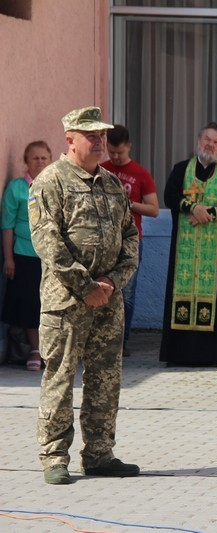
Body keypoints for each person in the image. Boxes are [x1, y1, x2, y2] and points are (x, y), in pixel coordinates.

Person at [28, 106, 140, 485]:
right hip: (67, 302)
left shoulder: (111, 184)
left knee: (105, 379)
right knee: (60, 379)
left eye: (102, 135)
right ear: (70, 139)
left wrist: (112, 283)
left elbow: (130, 236)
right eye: (90, 135)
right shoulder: (50, 182)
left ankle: (98, 454)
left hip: (108, 301)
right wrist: (87, 287)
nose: (99, 141)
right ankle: (54, 456)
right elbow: (49, 244)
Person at [159, 122, 217, 367]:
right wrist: (191, 207)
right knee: (180, 294)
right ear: (198, 141)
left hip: (215, 253)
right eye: (206, 139)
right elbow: (170, 197)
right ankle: (179, 354)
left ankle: (214, 355)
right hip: (184, 246)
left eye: (215, 142)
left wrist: (209, 214)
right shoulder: (181, 169)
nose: (209, 144)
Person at [101, 124, 159, 357]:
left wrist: (129, 204)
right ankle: (102, 339)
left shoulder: (140, 173)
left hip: (131, 241)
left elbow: (154, 209)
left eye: (120, 153)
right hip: (103, 240)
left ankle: (122, 342)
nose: (115, 157)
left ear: (129, 147)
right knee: (103, 288)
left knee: (127, 292)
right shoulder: (101, 169)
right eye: (111, 152)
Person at [2, 141, 51, 371]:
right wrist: (9, 258)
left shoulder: (56, 185)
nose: (40, 162)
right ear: (26, 161)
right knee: (31, 304)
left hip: (52, 256)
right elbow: (8, 225)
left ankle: (52, 351)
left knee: (51, 304)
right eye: (35, 158)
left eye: (44, 158)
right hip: (25, 255)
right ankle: (35, 349)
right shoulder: (17, 188)